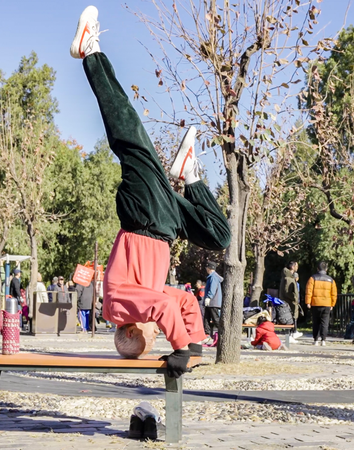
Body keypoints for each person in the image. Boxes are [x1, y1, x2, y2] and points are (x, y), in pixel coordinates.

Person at [71, 6, 231, 378]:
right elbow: (186, 302)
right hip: (164, 223)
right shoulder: (143, 304)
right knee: (218, 234)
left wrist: (178, 348)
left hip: (143, 214)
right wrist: (193, 345)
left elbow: (161, 307)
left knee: (130, 134)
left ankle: (89, 52)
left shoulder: (118, 307)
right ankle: (189, 175)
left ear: (131, 328)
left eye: (149, 335)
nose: (154, 330)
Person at [305, 262, 337, 346]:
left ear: (317, 269)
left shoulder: (313, 278)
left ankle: (315, 340)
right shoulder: (331, 280)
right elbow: (334, 293)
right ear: (326, 269)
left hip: (315, 303)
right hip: (327, 304)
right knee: (325, 322)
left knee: (316, 322)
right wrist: (332, 304)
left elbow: (309, 291)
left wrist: (308, 302)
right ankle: (323, 340)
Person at [279, 261, 303, 340]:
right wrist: (294, 298)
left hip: (289, 301)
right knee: (291, 317)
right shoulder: (288, 278)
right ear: (292, 267)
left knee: (291, 317)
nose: (297, 267)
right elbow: (287, 291)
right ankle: (291, 334)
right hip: (290, 302)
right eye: (296, 266)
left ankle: (291, 334)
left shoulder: (287, 276)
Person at [203, 261, 224, 347]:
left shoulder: (214, 277)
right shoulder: (211, 277)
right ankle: (206, 335)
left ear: (209, 268)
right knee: (206, 318)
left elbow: (212, 288)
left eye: (207, 268)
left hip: (213, 302)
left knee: (215, 319)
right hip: (211, 302)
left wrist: (209, 297)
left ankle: (222, 333)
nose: (206, 269)